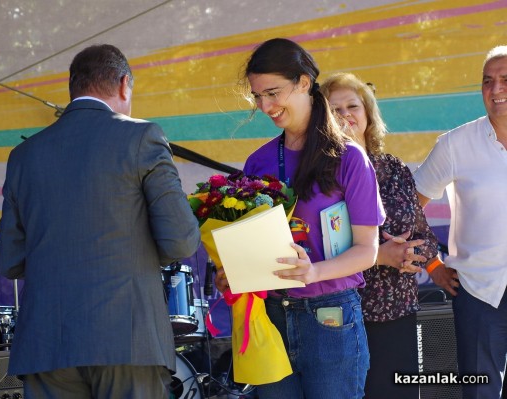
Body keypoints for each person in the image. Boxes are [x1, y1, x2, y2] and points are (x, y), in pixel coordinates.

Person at [0, 44, 201, 399]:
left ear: (73, 88)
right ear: (124, 85)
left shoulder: (23, 155)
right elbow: (180, 240)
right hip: (128, 339)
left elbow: (10, 261)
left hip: (46, 345)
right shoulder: (142, 136)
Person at [216, 38, 385, 399]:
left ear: (305, 83)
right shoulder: (258, 161)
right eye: (258, 97)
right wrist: (234, 271)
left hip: (331, 316)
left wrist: (313, 272)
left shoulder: (350, 158)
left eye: (273, 93)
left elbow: (367, 250)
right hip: (271, 315)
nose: (265, 106)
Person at [321, 73, 438, 399]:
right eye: (334, 109)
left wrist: (410, 253)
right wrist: (380, 254)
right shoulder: (317, 178)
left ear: (368, 115)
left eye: (352, 106)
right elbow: (317, 249)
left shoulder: (394, 168)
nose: (345, 115)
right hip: (343, 321)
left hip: (398, 316)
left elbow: (425, 237)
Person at [413, 45, 507, 398]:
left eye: (505, 80)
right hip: (480, 291)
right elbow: (408, 208)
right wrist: (432, 262)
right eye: (488, 81)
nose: (496, 90)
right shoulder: (455, 145)